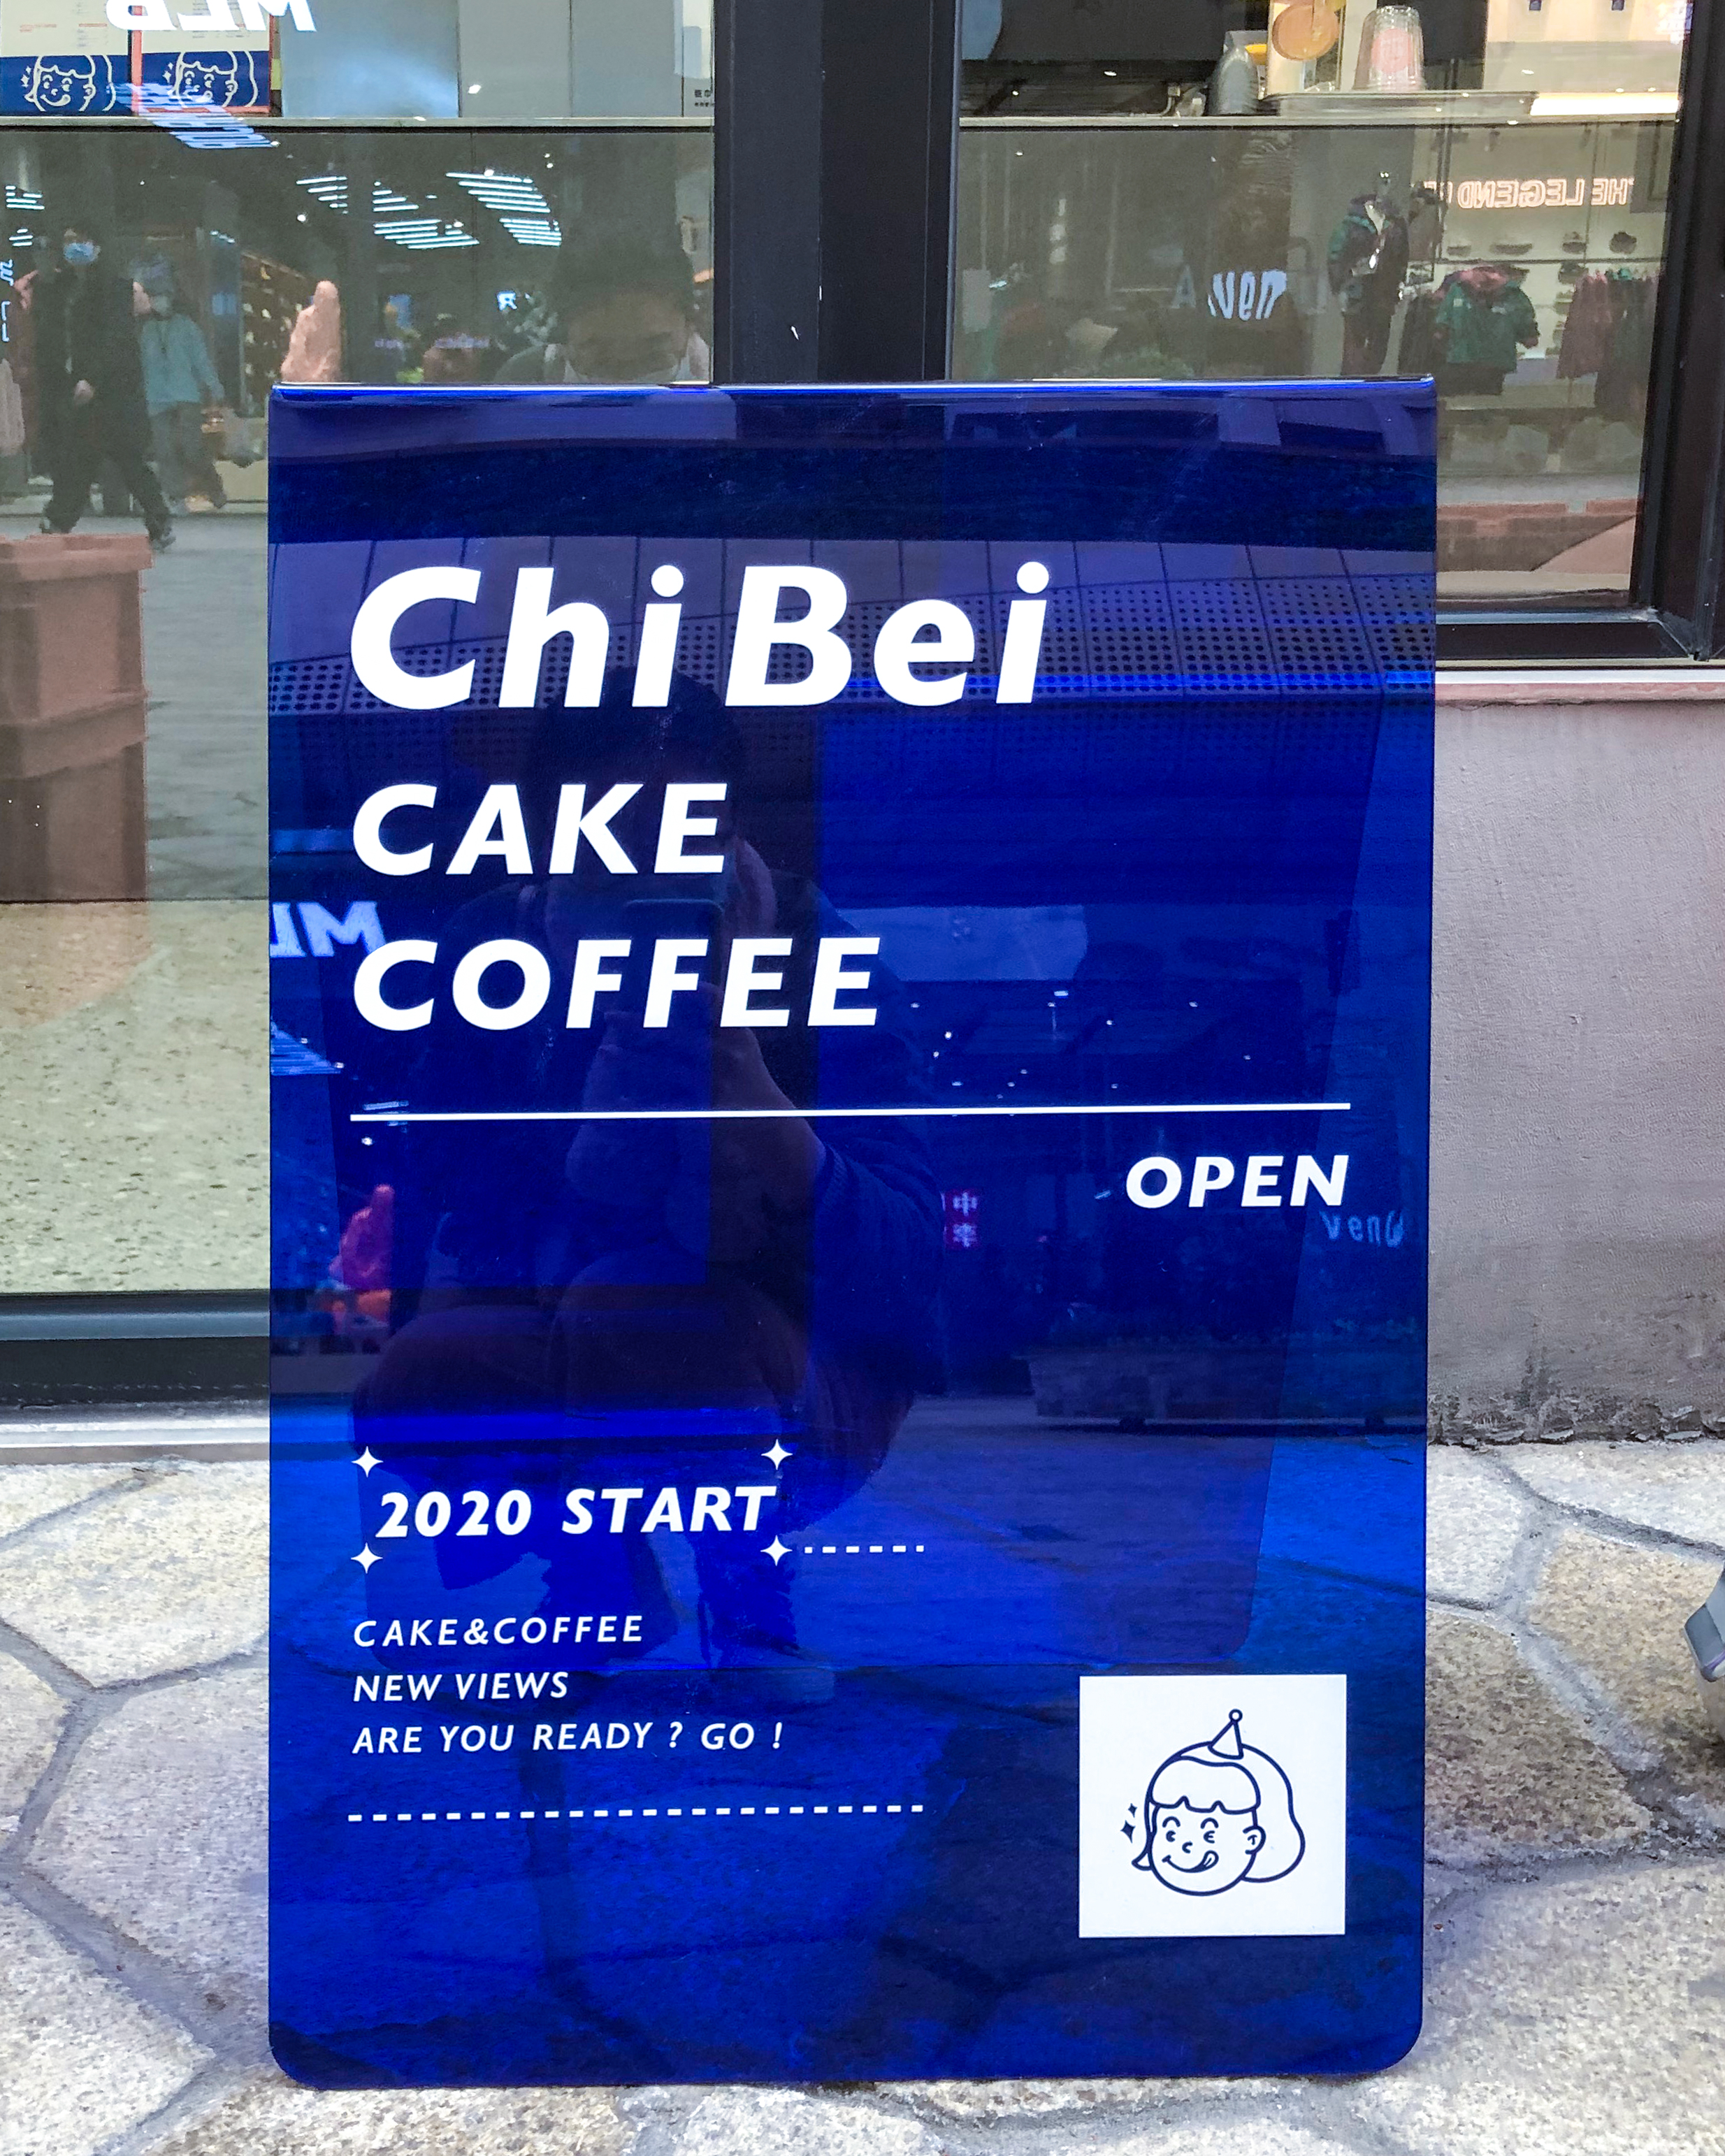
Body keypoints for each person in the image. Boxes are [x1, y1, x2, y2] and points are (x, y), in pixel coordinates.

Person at [33, 223, 173, 548]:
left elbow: (117, 340)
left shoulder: (116, 288)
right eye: (68, 241)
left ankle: (157, 519)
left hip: (113, 389)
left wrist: (93, 378)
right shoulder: (62, 289)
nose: (73, 247)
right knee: (81, 457)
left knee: (124, 458)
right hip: (78, 389)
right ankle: (59, 518)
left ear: (97, 247)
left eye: (80, 241)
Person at [498, 239, 710, 385]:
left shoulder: (722, 372)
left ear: (690, 326)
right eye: (601, 355)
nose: (626, 377)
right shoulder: (522, 378)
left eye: (652, 352)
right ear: (563, 337)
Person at [138, 280, 229, 510]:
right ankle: (175, 496)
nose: (159, 301)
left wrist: (215, 387)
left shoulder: (187, 327)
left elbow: (201, 360)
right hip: (156, 397)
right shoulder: (146, 331)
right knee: (164, 451)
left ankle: (213, 485)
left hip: (185, 395)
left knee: (191, 448)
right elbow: (141, 365)